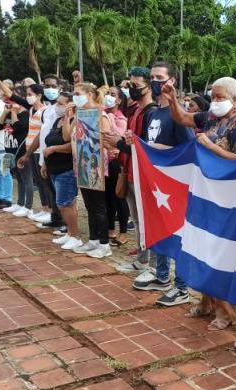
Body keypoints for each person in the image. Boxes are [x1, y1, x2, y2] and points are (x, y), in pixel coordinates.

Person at [164, 76, 236, 331]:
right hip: (204, 191)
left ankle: (225, 311)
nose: (215, 102)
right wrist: (172, 100)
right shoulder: (210, 118)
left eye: (220, 97)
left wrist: (210, 146)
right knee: (200, 247)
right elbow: (183, 119)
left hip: (226, 199)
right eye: (213, 96)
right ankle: (205, 301)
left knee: (219, 253)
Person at [129, 62, 193, 305]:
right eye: (152, 76)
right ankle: (162, 275)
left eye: (159, 77)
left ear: (172, 81)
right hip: (155, 182)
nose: (154, 81)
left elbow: (186, 150)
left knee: (178, 233)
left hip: (175, 183)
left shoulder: (178, 114)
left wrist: (152, 149)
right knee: (159, 228)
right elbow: (147, 143)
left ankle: (183, 287)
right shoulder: (154, 113)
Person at [107, 67, 157, 275]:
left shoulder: (152, 113)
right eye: (129, 85)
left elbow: (147, 149)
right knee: (137, 221)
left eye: (135, 85)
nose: (131, 89)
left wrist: (119, 143)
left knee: (149, 222)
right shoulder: (137, 111)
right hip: (130, 171)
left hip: (143, 175)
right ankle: (142, 260)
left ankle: (154, 266)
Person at [69, 82, 113, 258]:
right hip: (81, 165)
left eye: (77, 93)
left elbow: (107, 139)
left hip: (95, 165)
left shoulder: (100, 115)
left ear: (89, 95)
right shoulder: (81, 114)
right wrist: (71, 117)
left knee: (98, 206)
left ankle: (104, 244)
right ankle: (94, 239)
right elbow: (69, 135)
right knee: (89, 205)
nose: (75, 96)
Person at [16, 75, 66, 228]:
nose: (49, 89)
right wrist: (28, 154)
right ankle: (55, 218)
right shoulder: (49, 110)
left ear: (60, 88)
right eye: (46, 86)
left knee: (60, 192)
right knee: (49, 187)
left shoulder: (62, 109)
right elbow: (41, 134)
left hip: (59, 155)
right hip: (44, 154)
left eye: (52, 86)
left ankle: (64, 223)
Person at [44, 93, 83, 250]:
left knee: (64, 204)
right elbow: (47, 141)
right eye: (57, 103)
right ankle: (69, 233)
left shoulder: (75, 121)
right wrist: (44, 164)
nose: (57, 106)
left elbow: (71, 145)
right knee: (67, 203)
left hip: (66, 169)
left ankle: (75, 235)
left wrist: (54, 149)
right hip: (53, 167)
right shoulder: (57, 121)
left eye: (61, 104)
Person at [102, 85, 129, 247]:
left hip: (116, 162)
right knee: (107, 198)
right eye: (107, 93)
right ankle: (110, 228)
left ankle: (124, 232)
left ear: (119, 100)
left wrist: (109, 119)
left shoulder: (121, 119)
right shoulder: (102, 114)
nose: (108, 96)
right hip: (104, 162)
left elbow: (116, 138)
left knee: (119, 197)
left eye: (112, 94)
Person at [0, 94, 30, 212]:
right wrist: (5, 113)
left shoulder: (25, 114)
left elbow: (18, 127)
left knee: (26, 179)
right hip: (8, 151)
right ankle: (19, 203)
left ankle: (28, 206)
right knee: (18, 178)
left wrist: (14, 112)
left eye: (9, 103)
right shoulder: (8, 114)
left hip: (20, 151)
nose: (7, 105)